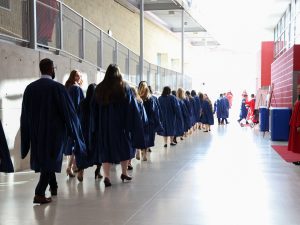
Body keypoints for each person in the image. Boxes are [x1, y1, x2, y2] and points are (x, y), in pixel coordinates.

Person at [20, 58, 86, 204]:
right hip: (54, 133)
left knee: (45, 159)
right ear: (51, 69)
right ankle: (39, 192)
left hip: (36, 132)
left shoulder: (30, 88)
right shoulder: (57, 88)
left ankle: (54, 187)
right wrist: (75, 132)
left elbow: (24, 114)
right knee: (50, 161)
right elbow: (68, 112)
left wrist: (26, 136)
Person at [90, 64, 145, 187]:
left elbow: (93, 108)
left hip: (104, 126)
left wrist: (95, 125)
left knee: (105, 149)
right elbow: (132, 107)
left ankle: (107, 177)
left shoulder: (99, 88)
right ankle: (124, 173)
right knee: (124, 148)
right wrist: (132, 124)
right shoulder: (124, 87)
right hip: (121, 126)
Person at [78, 83, 103, 179]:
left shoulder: (82, 102)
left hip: (84, 131)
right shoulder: (98, 103)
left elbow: (77, 115)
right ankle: (98, 170)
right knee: (98, 152)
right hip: (96, 131)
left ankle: (81, 171)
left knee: (84, 152)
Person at [64, 70, 84, 180]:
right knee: (75, 143)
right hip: (75, 119)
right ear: (73, 76)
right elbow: (78, 105)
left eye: (80, 75)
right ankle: (69, 167)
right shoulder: (76, 88)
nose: (79, 77)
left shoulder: (67, 87)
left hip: (67, 118)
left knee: (70, 143)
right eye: (77, 75)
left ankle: (72, 166)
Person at [138, 81, 162, 161]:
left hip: (139, 120)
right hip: (149, 121)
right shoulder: (151, 98)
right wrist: (157, 121)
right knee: (147, 137)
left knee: (140, 136)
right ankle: (144, 154)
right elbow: (154, 111)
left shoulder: (137, 97)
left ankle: (139, 150)